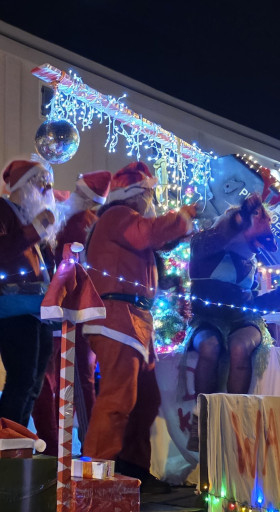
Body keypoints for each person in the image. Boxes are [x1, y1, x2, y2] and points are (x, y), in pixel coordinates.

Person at [82, 161, 196, 493]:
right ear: (136, 194)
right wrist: (183, 216)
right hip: (117, 316)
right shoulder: (118, 216)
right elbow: (147, 233)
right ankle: (95, 479)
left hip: (135, 320)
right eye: (149, 194)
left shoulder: (124, 221)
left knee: (145, 399)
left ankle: (133, 469)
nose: (152, 201)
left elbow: (154, 241)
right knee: (117, 398)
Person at [188, 194, 280, 398]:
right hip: (207, 319)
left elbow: (252, 304)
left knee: (239, 347)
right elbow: (215, 239)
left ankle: (235, 410)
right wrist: (238, 221)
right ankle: (204, 411)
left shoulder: (249, 263)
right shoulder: (202, 246)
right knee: (209, 347)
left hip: (243, 320)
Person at [0, 159, 57, 428]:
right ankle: (3, 444)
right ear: (26, 184)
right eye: (42, 183)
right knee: (21, 378)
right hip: (9, 307)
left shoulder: (29, 220)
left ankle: (16, 442)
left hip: (36, 312)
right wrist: (34, 231)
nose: (47, 190)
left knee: (33, 384)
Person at [32, 171, 111, 450]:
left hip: (69, 309)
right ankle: (79, 444)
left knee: (71, 378)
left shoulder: (79, 222)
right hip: (71, 310)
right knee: (71, 379)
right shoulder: (83, 219)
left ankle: (79, 444)